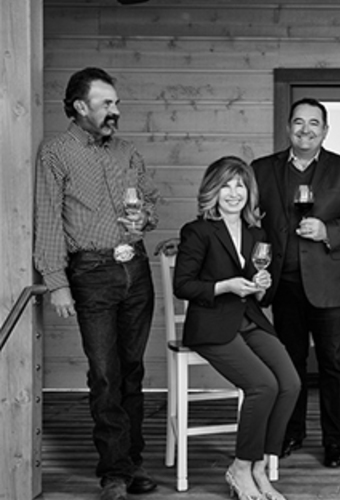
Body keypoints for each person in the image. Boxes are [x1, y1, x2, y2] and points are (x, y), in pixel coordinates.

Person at [33, 67, 159, 500]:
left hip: (136, 269)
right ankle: (114, 473)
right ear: (79, 106)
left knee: (132, 370)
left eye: (116, 103)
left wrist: (145, 219)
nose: (115, 111)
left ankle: (133, 461)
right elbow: (48, 218)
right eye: (107, 104)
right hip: (91, 273)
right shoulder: (56, 153)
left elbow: (149, 203)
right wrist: (56, 282)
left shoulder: (127, 152)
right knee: (106, 374)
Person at [251, 98, 340, 468]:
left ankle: (335, 442)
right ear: (288, 127)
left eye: (314, 123)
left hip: (329, 285)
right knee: (289, 364)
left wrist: (327, 231)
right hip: (282, 285)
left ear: (325, 130)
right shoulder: (262, 169)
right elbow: (248, 219)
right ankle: (291, 432)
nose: (305, 130)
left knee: (334, 365)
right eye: (298, 122)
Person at [173, 156, 300, 500]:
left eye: (240, 185)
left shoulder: (257, 233)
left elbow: (264, 294)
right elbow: (182, 285)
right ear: (212, 191)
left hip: (250, 320)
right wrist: (224, 286)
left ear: (249, 192)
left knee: (290, 384)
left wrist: (261, 286)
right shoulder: (197, 231)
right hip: (212, 325)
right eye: (226, 185)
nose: (234, 192)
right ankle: (240, 469)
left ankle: (260, 467)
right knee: (263, 386)